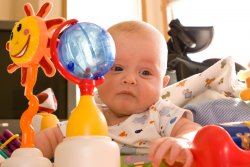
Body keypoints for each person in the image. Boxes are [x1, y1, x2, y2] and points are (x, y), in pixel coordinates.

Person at [34, 20, 201, 167]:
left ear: (162, 84)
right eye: (117, 68)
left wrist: (182, 142)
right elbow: (50, 138)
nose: (129, 79)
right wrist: (26, 150)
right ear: (98, 75)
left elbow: (193, 131)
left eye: (145, 73)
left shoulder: (160, 113)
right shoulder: (91, 115)